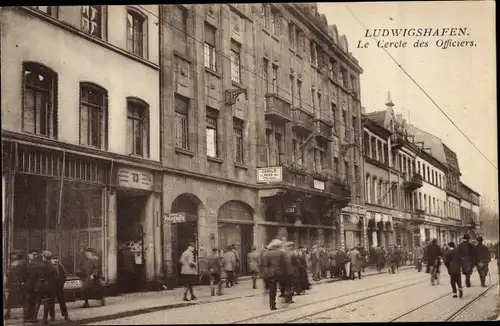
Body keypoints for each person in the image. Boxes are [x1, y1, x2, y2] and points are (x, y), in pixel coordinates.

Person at [262, 239, 285, 311]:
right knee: (284, 286)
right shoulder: (281, 253)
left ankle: (272, 305)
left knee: (272, 290)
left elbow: (265, 265)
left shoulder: (266, 253)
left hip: (271, 274)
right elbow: (283, 263)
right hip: (280, 273)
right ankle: (286, 298)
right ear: (278, 246)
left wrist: (266, 274)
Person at [36, 251, 58, 324]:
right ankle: (45, 318)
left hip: (40, 286)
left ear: (44, 257)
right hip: (50, 286)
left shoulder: (39, 265)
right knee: (48, 302)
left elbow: (37, 275)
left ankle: (34, 317)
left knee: (38, 301)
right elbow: (56, 277)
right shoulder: (53, 266)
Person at [4, 250, 27, 320]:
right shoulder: (23, 262)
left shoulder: (14, 263)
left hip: (14, 284)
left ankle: (8, 313)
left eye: (14, 255)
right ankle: (25, 314)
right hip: (17, 284)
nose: (12, 256)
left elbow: (9, 275)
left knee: (11, 300)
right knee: (21, 299)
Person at [48, 255, 71, 322]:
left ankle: (66, 315)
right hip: (51, 287)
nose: (55, 260)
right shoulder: (49, 267)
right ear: (51, 260)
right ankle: (52, 316)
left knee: (62, 301)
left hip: (59, 287)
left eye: (56, 259)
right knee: (51, 302)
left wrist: (61, 283)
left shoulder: (60, 266)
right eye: (53, 259)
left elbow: (64, 275)